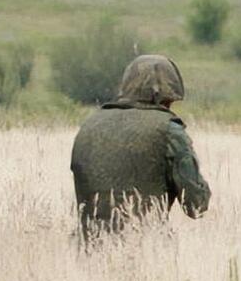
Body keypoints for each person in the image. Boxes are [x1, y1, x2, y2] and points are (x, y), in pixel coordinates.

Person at [70, 54, 211, 241]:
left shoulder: (90, 125)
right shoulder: (169, 130)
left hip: (87, 247)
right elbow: (196, 205)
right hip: (145, 247)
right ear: (167, 96)